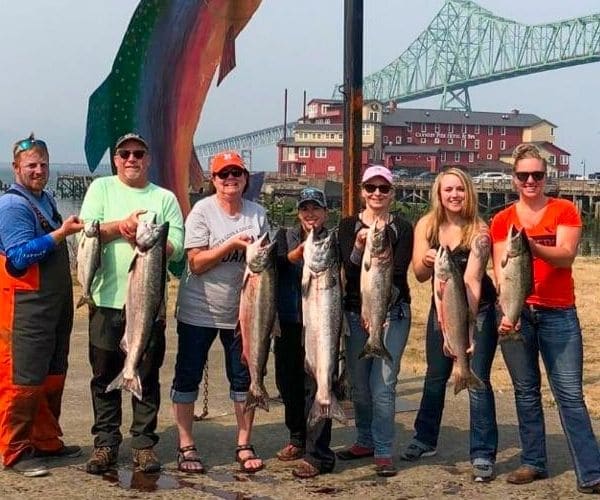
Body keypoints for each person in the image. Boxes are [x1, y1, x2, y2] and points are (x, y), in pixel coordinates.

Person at [490, 144, 600, 493]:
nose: (530, 181)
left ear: (546, 177)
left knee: (568, 393)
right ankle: (533, 461)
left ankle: (591, 470)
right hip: (518, 311)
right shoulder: (502, 220)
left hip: (558, 312)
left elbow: (566, 257)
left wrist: (531, 246)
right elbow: (500, 272)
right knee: (525, 391)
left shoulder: (564, 210)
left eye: (537, 175)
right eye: (523, 175)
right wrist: (507, 315)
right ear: (514, 179)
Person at [79, 133, 184, 474]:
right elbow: (87, 230)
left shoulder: (164, 197)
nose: (131, 158)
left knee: (147, 373)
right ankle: (106, 443)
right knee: (103, 374)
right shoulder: (101, 190)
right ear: (116, 159)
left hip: (149, 303)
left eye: (139, 153)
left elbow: (179, 245)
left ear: (148, 159)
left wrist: (153, 242)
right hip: (106, 300)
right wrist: (119, 226)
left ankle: (143, 444)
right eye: (124, 153)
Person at [171, 150, 268, 474]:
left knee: (244, 378)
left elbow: (265, 262)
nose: (230, 180)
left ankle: (244, 441)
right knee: (187, 376)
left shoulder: (257, 214)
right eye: (223, 175)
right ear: (213, 180)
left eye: (236, 174)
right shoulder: (201, 211)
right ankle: (186, 444)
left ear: (245, 178)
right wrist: (232, 245)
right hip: (199, 310)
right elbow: (195, 263)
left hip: (242, 313)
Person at [401, 167, 498, 482]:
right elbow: (417, 274)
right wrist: (427, 262)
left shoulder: (479, 231)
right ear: (438, 195)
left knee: (476, 376)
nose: (454, 195)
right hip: (440, 310)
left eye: (460, 189)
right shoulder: (427, 225)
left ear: (468, 192)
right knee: (435, 376)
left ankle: (483, 452)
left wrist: (465, 332)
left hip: (476, 309)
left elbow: (472, 280)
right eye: (448, 190)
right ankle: (424, 438)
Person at [0, 134, 84, 477]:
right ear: (16, 167)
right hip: (25, 305)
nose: (39, 170)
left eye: (43, 164)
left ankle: (46, 440)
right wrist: (60, 234)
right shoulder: (13, 206)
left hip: (53, 305)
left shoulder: (45, 199)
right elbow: (18, 257)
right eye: (31, 165)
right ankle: (15, 450)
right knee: (23, 377)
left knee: (52, 373)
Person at [336, 165, 413, 477]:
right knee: (359, 385)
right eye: (371, 188)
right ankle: (364, 439)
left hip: (391, 313)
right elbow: (348, 270)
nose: (377, 193)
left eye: (383, 188)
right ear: (362, 192)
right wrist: (357, 248)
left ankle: (383, 449)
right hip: (356, 312)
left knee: (383, 385)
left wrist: (378, 312)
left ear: (392, 192)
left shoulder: (403, 228)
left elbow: (397, 271)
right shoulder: (346, 226)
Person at [274, 187, 336, 478]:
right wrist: (291, 257)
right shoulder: (284, 236)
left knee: (317, 383)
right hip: (288, 322)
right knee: (288, 384)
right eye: (305, 209)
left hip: (321, 324)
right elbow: (270, 264)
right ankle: (297, 438)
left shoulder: (332, 241)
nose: (310, 214)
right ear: (298, 213)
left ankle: (318, 454)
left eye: (316, 208)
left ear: (325, 212)